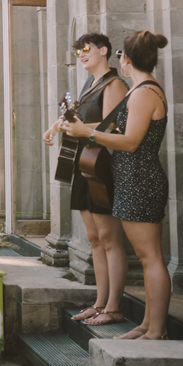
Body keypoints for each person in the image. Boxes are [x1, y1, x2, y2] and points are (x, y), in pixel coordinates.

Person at [62, 30, 171, 341]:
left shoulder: (144, 92)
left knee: (150, 256)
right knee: (148, 255)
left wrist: (89, 135)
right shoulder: (140, 89)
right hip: (132, 180)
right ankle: (147, 325)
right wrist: (81, 128)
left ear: (125, 59)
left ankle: (157, 330)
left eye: (121, 55)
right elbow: (114, 125)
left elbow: (131, 141)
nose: (120, 60)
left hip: (140, 180)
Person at [42, 33, 129, 327]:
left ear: (104, 50)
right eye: (78, 50)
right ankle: (100, 303)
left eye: (86, 48)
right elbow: (79, 120)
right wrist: (58, 125)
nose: (81, 53)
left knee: (110, 239)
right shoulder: (90, 83)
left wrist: (74, 127)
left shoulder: (114, 84)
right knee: (94, 239)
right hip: (85, 166)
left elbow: (113, 127)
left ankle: (115, 307)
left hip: (103, 170)